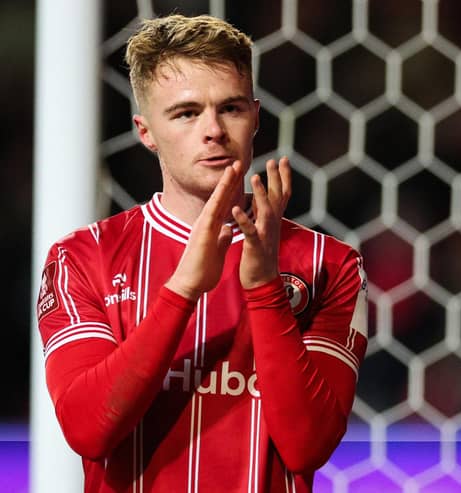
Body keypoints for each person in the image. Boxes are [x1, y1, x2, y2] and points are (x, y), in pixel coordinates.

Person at [36, 13, 368, 493]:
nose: (212, 130)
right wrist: (182, 291)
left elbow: (307, 446)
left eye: (230, 108)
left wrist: (265, 291)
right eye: (186, 113)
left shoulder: (330, 264)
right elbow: (89, 431)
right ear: (145, 131)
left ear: (256, 117)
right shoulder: (82, 259)